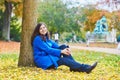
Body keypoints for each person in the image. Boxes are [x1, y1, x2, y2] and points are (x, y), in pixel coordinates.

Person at [31, 22, 97, 74]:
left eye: (44, 27)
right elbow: (48, 50)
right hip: (43, 61)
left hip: (49, 58)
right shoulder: (37, 39)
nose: (43, 29)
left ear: (46, 28)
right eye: (40, 28)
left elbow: (56, 46)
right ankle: (86, 68)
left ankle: (74, 67)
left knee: (63, 46)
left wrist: (66, 48)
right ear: (38, 31)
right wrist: (61, 51)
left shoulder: (47, 38)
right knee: (63, 60)